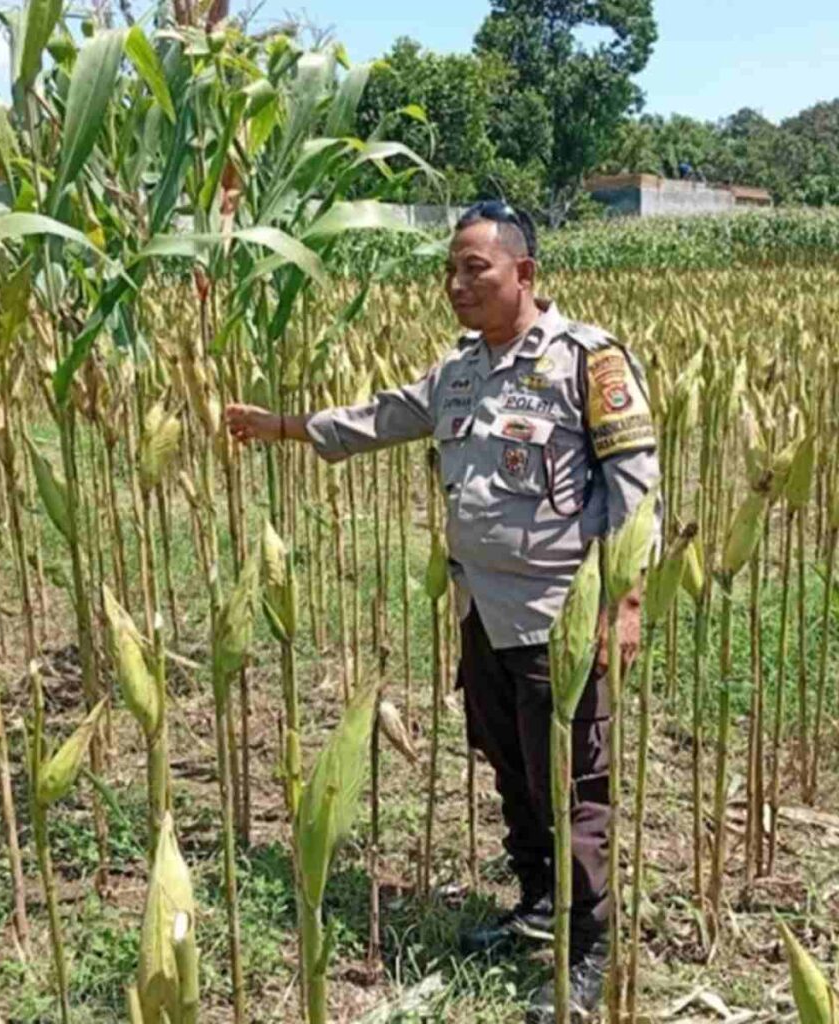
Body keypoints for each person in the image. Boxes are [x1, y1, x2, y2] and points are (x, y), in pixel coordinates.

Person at [225, 200, 660, 1021]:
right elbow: (385, 416)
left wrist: (625, 602)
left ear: (524, 273)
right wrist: (283, 426)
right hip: (481, 610)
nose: (457, 284)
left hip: (558, 613)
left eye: (475, 269)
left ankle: (588, 946)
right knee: (508, 762)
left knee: (572, 781)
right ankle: (537, 899)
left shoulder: (586, 361)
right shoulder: (460, 370)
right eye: (450, 271)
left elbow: (636, 488)